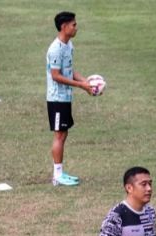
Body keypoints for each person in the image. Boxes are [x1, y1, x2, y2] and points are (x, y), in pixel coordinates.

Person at [46, 11, 98, 187]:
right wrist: (81, 86)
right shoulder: (55, 49)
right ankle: (57, 175)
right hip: (56, 98)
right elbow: (56, 76)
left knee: (64, 133)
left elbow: (69, 71)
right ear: (64, 26)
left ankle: (60, 173)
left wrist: (86, 83)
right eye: (73, 24)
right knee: (59, 134)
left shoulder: (69, 45)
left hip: (65, 98)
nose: (76, 27)